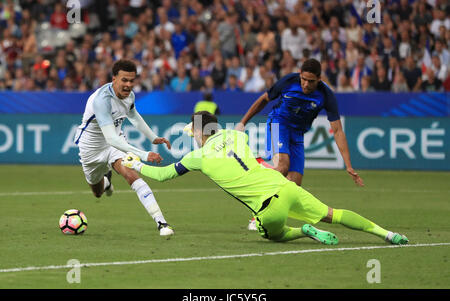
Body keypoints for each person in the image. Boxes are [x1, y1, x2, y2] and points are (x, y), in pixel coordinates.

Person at [121, 111, 409, 246]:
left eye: (193, 134)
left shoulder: (198, 157)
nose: (193, 139)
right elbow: (254, 160)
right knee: (333, 213)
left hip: (268, 206)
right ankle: (388, 234)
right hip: (285, 186)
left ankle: (305, 231)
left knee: (273, 234)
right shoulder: (238, 135)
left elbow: (163, 175)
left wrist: (137, 163)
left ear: (199, 133)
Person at [235, 58, 364, 230]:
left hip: (297, 135)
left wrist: (348, 165)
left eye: (310, 81)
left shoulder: (326, 95)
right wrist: (242, 123)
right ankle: (257, 215)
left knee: (293, 185)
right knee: (282, 166)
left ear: (319, 79)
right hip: (277, 124)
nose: (305, 84)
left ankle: (263, 172)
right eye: (303, 79)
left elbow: (338, 131)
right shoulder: (289, 81)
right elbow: (264, 100)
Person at [74, 59, 174, 236]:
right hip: (91, 147)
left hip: (116, 144)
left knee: (131, 175)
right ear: (114, 79)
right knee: (97, 192)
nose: (128, 85)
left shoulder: (130, 96)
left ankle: (162, 223)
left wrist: (153, 138)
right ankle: (106, 182)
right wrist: (143, 154)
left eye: (131, 80)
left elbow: (134, 117)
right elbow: (110, 138)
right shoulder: (101, 101)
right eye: (124, 80)